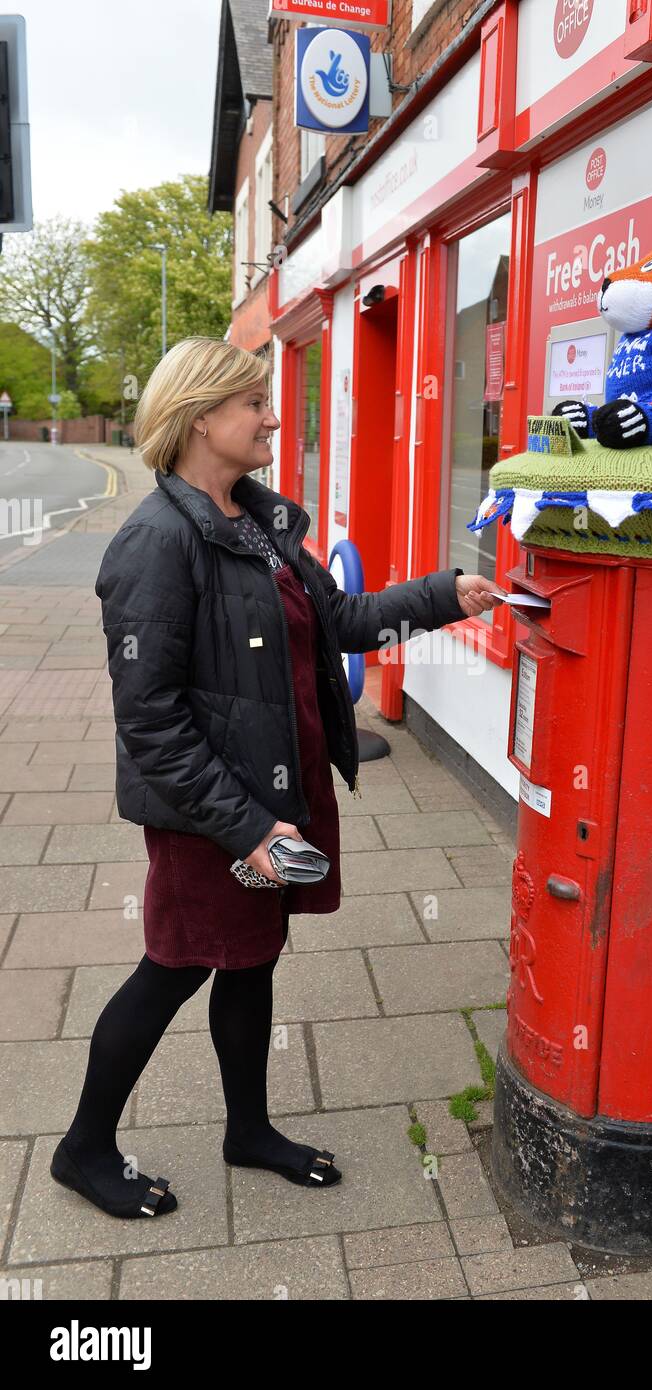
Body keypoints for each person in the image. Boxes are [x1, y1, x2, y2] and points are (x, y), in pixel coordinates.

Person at [49, 336, 502, 1220]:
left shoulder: (258, 520)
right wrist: (246, 827)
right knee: (174, 967)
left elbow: (339, 618)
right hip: (208, 815)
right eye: (253, 403)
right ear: (198, 418)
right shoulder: (156, 541)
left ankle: (247, 1130)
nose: (273, 417)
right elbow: (150, 723)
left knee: (252, 961)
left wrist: (448, 596)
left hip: (277, 790)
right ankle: (82, 1148)